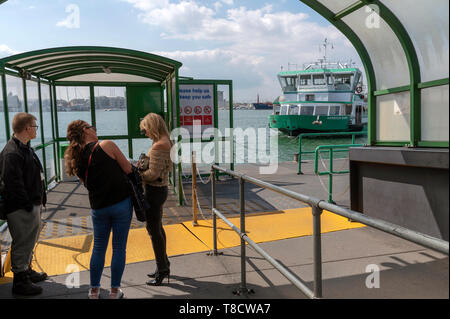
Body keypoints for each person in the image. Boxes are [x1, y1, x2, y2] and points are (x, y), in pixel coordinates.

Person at [64, 120, 133, 299]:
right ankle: (114, 291)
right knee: (119, 248)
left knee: (99, 247)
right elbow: (128, 168)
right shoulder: (107, 145)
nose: (95, 129)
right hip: (121, 204)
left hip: (99, 207)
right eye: (92, 126)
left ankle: (94, 291)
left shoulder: (75, 158)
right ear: (86, 130)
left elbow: (87, 184)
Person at [0, 113, 48, 296]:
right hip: (21, 208)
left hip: (29, 205)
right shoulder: (12, 152)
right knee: (22, 242)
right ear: (27, 128)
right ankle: (20, 281)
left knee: (28, 240)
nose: (36, 129)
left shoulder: (23, 148)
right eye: (35, 126)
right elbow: (13, 184)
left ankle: (26, 271)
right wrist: (28, 206)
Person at [139, 113, 172, 286]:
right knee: (158, 228)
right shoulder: (166, 140)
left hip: (154, 191)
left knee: (153, 232)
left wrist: (137, 173)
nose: (145, 134)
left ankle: (162, 270)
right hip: (160, 190)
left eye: (145, 130)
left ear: (152, 127)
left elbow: (153, 174)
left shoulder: (159, 145)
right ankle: (164, 264)